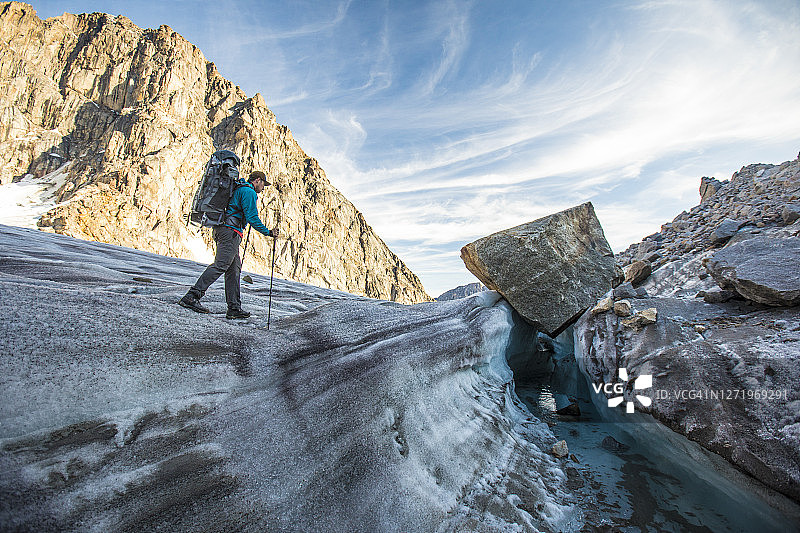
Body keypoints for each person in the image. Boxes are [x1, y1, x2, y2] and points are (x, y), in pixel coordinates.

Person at [180, 171, 278, 319]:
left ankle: (234, 308)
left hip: (225, 230)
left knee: (234, 269)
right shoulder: (248, 192)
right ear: (257, 180)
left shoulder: (240, 189)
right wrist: (269, 232)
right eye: (264, 184)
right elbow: (252, 217)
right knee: (221, 264)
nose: (264, 188)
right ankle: (192, 296)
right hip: (230, 232)